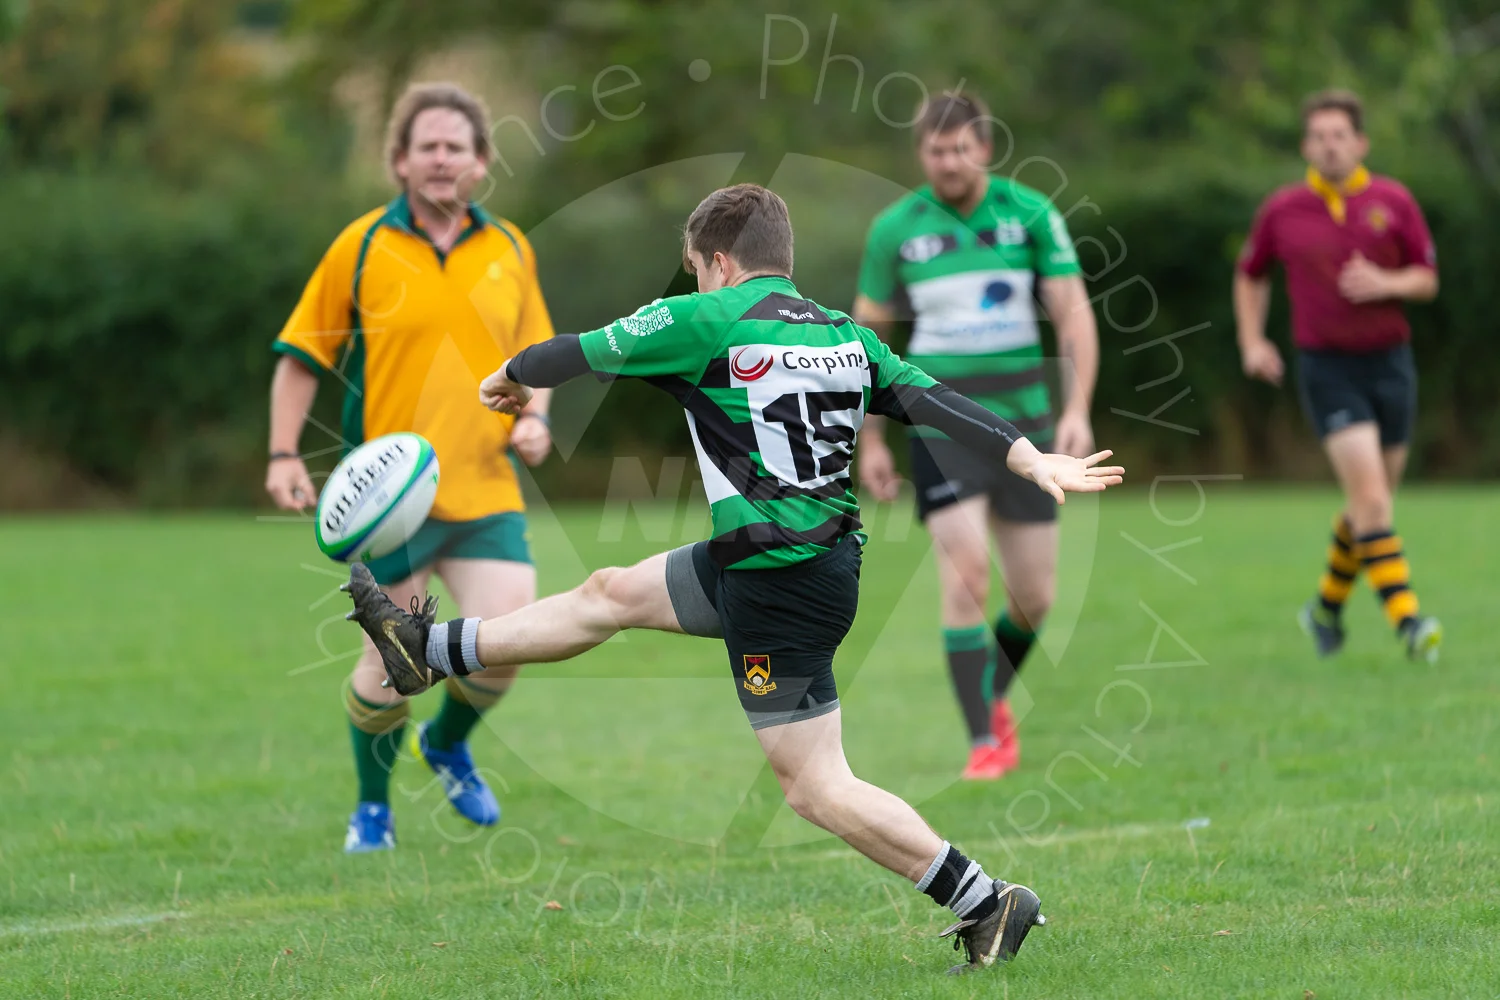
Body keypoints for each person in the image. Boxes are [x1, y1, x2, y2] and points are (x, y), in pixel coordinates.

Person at [342, 184, 1124, 972]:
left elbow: (571, 352)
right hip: (781, 561)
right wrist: (1030, 456)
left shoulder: (705, 319)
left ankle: (985, 902)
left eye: (695, 268)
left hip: (776, 584)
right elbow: (939, 403)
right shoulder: (845, 335)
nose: (695, 281)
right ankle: (425, 650)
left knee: (815, 786)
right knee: (609, 593)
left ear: (717, 260)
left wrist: (510, 374)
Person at [266, 82, 557, 852]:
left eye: (456, 146)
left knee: (512, 640)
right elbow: (300, 357)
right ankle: (373, 810)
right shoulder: (361, 245)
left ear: (481, 161)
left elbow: (535, 361)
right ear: (399, 161)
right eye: (426, 146)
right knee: (391, 664)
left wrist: (536, 421)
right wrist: (284, 452)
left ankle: (448, 742)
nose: (440, 158)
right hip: (388, 501)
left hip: (485, 485)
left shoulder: (510, 248)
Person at [852, 91, 1100, 780]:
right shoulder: (895, 229)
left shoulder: (1029, 214)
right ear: (920, 154)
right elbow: (865, 342)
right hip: (940, 424)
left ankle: (990, 694)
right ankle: (982, 740)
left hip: (1028, 425)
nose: (949, 162)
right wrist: (871, 441)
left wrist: (1078, 407)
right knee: (966, 572)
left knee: (1035, 597)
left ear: (984, 148)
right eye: (936, 151)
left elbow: (1073, 313)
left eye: (961, 148)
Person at [1234, 89, 1441, 663]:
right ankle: (1409, 621)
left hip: (1390, 364)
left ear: (1361, 143)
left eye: (1339, 135)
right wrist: (1252, 340)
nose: (1329, 146)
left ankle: (1325, 609)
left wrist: (1386, 282)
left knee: (1371, 506)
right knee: (1372, 500)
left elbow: (1427, 279)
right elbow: (1250, 274)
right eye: (1319, 136)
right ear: (1306, 146)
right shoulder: (1283, 209)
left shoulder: (1393, 201)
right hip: (1327, 368)